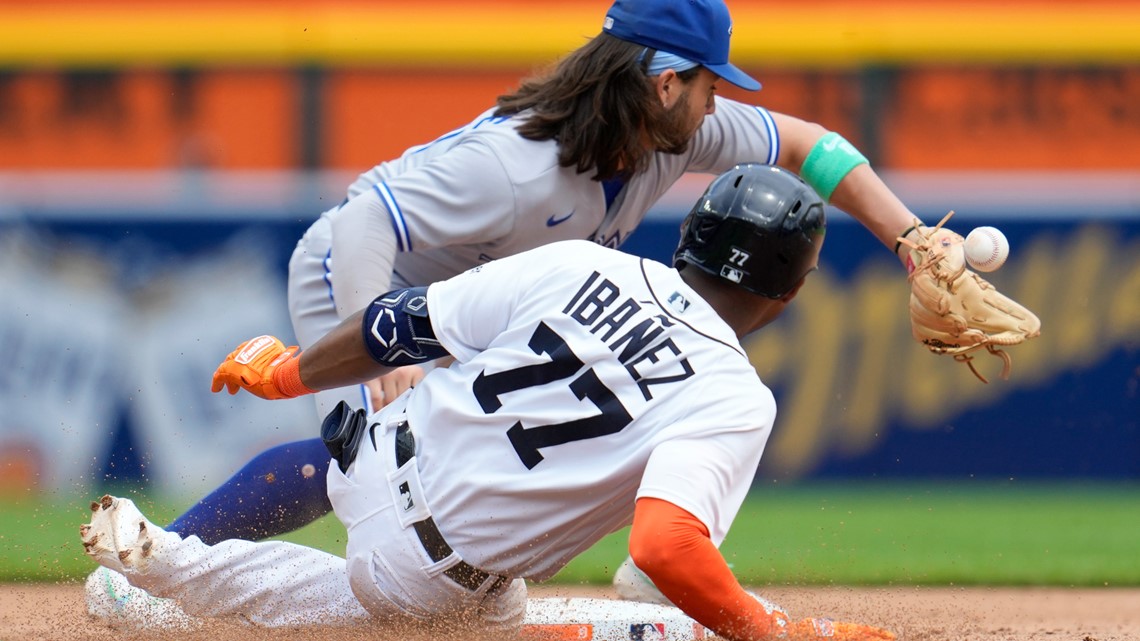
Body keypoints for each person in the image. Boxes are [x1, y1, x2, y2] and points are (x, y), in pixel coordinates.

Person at [86, 0, 936, 622]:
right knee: (355, 456)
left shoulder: (676, 135)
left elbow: (811, 148)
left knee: (462, 471)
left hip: (469, 301)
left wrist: (912, 244)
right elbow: (360, 220)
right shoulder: (512, 165)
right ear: (666, 81)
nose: (722, 104)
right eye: (712, 85)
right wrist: (382, 343)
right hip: (364, 278)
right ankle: (148, 573)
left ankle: (176, 569)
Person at [82, 164, 896, 641]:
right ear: (789, 290)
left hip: (371, 448)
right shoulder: (733, 395)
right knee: (481, 620)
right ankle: (177, 569)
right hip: (433, 576)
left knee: (342, 489)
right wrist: (761, 630)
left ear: (692, 234)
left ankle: (170, 564)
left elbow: (396, 324)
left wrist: (292, 371)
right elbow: (662, 549)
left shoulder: (584, 263)